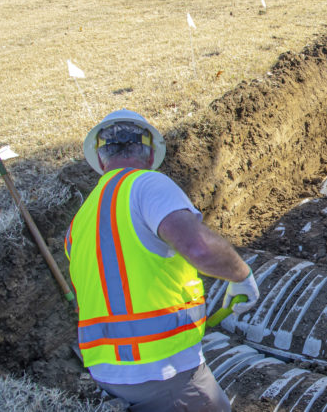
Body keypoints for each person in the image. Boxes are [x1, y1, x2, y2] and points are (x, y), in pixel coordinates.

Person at [64, 109, 259, 411]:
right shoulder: (146, 185)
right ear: (151, 152)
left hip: (107, 374)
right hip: (163, 371)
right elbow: (199, 249)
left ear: (101, 159)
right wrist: (242, 275)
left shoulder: (78, 222)